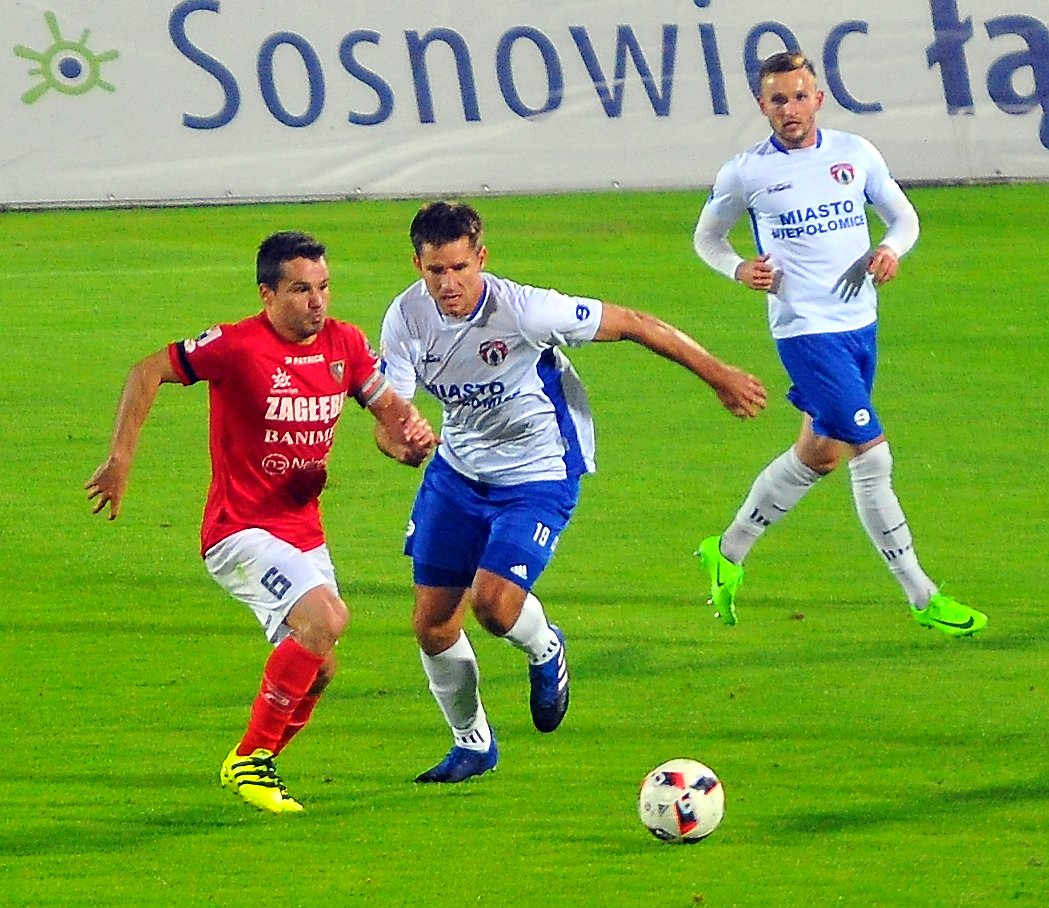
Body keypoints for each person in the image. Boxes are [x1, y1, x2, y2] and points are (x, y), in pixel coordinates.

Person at [376, 200, 768, 784]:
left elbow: (634, 322)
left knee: (493, 607)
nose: (449, 283)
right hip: (458, 471)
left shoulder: (527, 311)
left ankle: (545, 648)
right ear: (418, 265)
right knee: (433, 625)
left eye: (460, 268)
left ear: (481, 258)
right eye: (436, 271)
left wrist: (720, 376)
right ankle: (472, 744)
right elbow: (392, 415)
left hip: (539, 470)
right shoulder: (406, 318)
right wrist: (401, 444)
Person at [86, 231, 438, 814]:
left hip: (302, 532)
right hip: (239, 530)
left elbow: (389, 416)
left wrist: (410, 439)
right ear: (267, 294)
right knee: (327, 618)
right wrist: (120, 459)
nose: (317, 301)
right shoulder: (235, 345)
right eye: (301, 289)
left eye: (323, 287)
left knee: (319, 668)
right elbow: (146, 371)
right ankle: (251, 760)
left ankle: (253, 762)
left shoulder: (345, 343)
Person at [691, 51, 987, 636]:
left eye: (800, 96)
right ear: (762, 106)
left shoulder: (855, 153)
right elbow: (707, 238)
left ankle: (726, 551)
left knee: (820, 454)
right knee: (872, 456)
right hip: (804, 330)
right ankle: (922, 595)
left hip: (860, 324)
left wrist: (890, 251)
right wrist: (738, 268)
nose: (790, 109)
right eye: (778, 100)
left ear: (818, 99)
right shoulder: (745, 173)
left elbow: (904, 220)